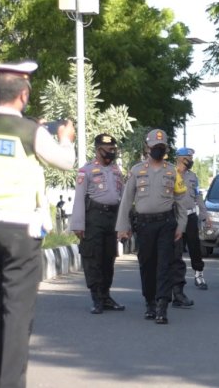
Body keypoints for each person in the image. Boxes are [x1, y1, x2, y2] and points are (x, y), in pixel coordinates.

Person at [0, 60, 75, 388]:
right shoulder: (30, 132)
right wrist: (64, 138)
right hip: (18, 232)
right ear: (23, 94)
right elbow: (66, 162)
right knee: (16, 313)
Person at [116, 129, 188, 325]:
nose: (158, 150)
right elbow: (126, 200)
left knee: (165, 264)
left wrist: (181, 225)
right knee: (147, 264)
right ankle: (150, 302)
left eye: (162, 147)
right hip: (145, 225)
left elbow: (181, 200)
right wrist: (122, 226)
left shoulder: (172, 171)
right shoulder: (136, 170)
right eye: (155, 147)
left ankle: (162, 305)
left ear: (165, 149)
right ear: (147, 148)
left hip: (166, 223)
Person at [70, 133, 125, 314]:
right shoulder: (86, 171)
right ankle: (96, 298)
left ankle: (106, 296)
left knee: (108, 258)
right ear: (98, 150)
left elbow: (123, 198)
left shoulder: (117, 170)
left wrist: (125, 224)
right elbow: (79, 199)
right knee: (93, 257)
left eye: (113, 149)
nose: (111, 152)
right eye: (108, 149)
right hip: (94, 217)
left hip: (112, 218)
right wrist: (78, 224)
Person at [170, 147, 209, 311]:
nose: (191, 160)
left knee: (195, 247)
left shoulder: (193, 177)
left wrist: (204, 216)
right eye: (188, 157)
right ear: (179, 158)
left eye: (192, 157)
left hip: (191, 215)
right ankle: (175, 284)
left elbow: (198, 196)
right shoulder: (171, 173)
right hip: (177, 217)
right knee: (176, 251)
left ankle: (198, 275)